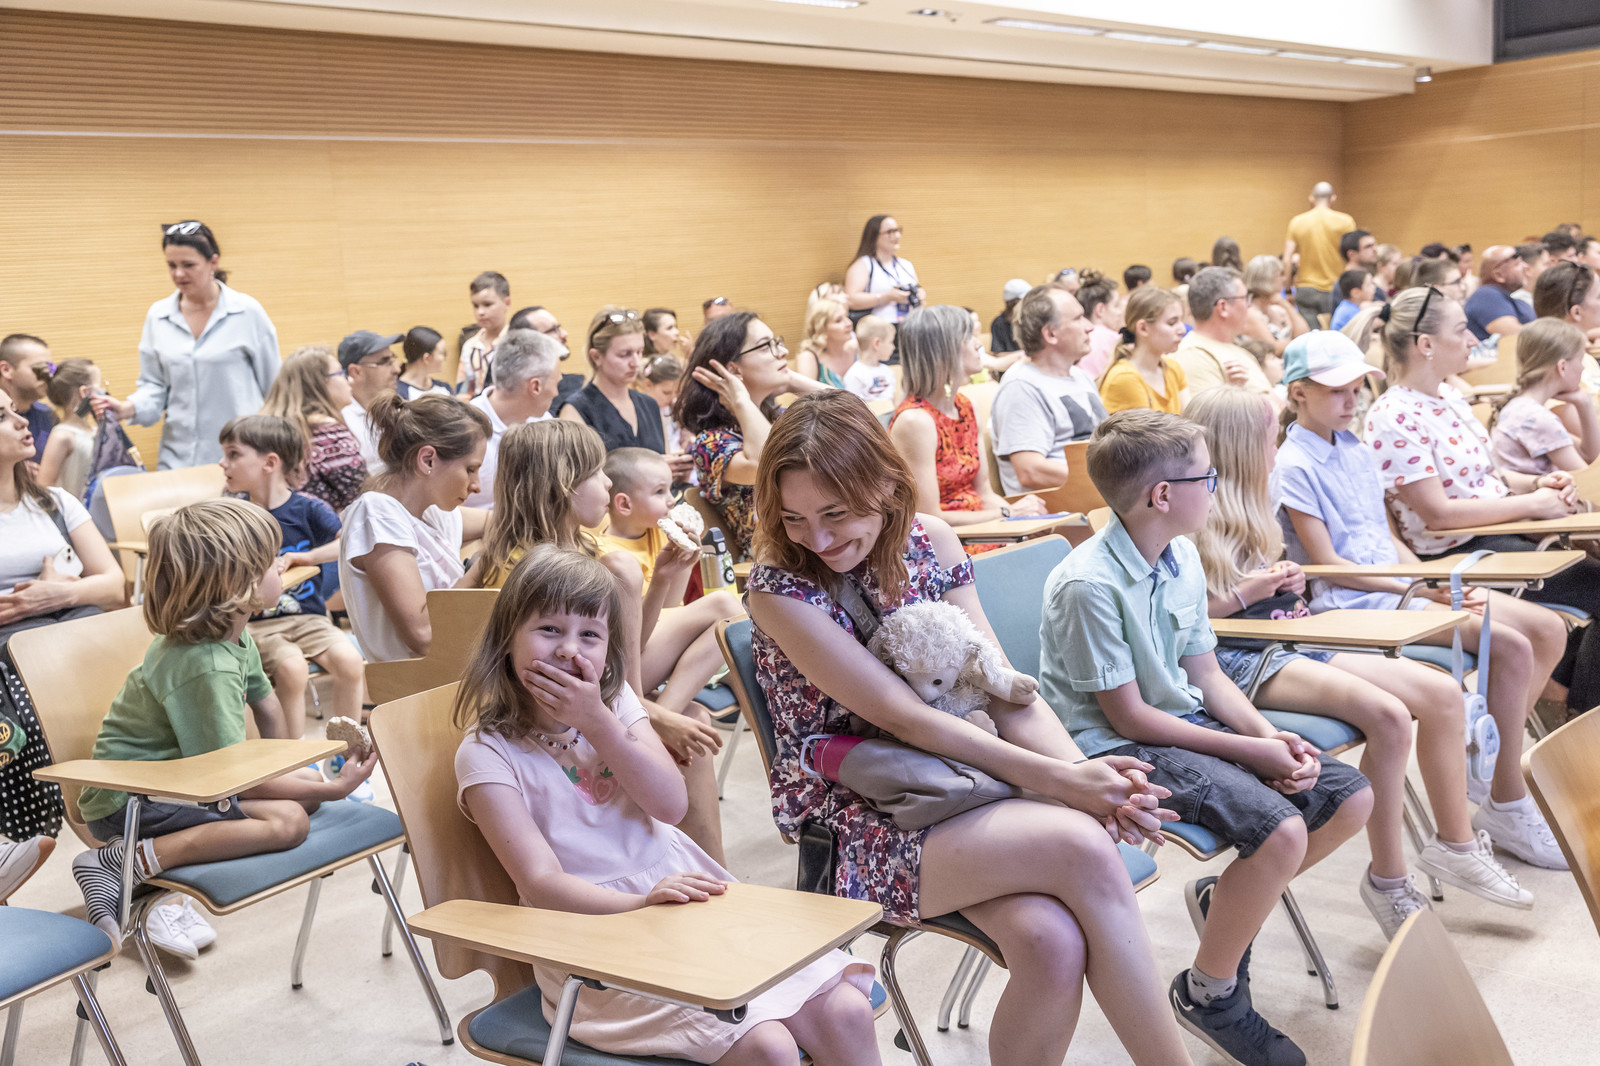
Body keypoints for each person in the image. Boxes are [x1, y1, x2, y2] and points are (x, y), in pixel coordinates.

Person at [745, 391, 1192, 1066]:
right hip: (854, 823)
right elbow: (905, 717)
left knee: (1051, 941)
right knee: (1083, 847)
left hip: (961, 785)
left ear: (885, 484)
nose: (820, 539)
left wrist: (1083, 775)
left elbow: (1003, 689)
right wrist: (1064, 786)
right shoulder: (779, 588)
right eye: (795, 519)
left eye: (835, 513)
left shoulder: (932, 540)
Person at [453, 544, 877, 1066]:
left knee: (847, 1012)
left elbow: (670, 805)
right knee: (768, 1047)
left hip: (681, 898)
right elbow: (541, 884)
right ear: (506, 638)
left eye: (589, 635)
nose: (569, 650)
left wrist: (597, 722)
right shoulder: (486, 753)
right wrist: (639, 906)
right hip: (591, 937)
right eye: (549, 630)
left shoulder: (614, 705)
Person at [1041, 408, 1373, 1066]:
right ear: (1163, 495)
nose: (1217, 488)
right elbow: (1129, 719)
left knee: (1350, 797)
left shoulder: (1182, 554)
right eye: (1208, 477)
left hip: (1180, 723)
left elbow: (1207, 674)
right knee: (1281, 831)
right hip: (1113, 749)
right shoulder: (1087, 585)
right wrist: (1253, 751)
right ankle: (1210, 994)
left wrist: (1272, 737)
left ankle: (1232, 903)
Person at [1187, 384, 1532, 937]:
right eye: (1269, 439)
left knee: (1442, 692)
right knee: (1390, 715)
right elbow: (1189, 620)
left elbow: (1272, 588)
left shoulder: (1257, 496)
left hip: (1289, 633)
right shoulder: (1191, 514)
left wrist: (1283, 579)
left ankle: (1455, 844)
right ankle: (1389, 879)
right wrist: (1252, 591)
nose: (1277, 449)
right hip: (1241, 655)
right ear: (1241, 447)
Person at [1278, 327, 1573, 869]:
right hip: (1351, 604)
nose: (1351, 401)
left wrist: (1430, 580)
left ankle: (1489, 770)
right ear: (1299, 393)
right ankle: (1504, 792)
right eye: (1337, 391)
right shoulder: (1293, 464)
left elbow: (1384, 537)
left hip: (1396, 586)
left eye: (1356, 390)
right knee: (1510, 644)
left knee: (1543, 630)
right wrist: (1417, 587)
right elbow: (1330, 565)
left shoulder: (1353, 448)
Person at [68, 500, 374, 952]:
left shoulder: (234, 633)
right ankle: (121, 862)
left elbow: (267, 707)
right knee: (289, 821)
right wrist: (334, 790)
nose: (281, 565)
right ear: (236, 584)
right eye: (271, 561)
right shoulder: (204, 663)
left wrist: (296, 771)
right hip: (133, 798)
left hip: (183, 781)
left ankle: (144, 866)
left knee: (305, 787)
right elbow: (228, 781)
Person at [468, 423, 729, 863]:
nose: (608, 482)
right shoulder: (548, 569)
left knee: (719, 627)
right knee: (694, 726)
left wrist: (664, 579)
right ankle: (713, 869)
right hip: (548, 709)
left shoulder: (566, 547)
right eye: (596, 472)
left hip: (602, 690)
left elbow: (623, 647)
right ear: (563, 485)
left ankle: (709, 870)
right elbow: (615, 675)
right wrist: (653, 715)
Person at [0, 387, 127, 846]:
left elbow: (114, 585)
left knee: (142, 694)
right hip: (14, 647)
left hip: (76, 630)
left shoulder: (55, 501)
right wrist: (34, 603)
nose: (22, 422)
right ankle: (110, 851)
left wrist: (55, 593)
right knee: (41, 721)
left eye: (15, 411)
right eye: (2, 416)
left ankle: (126, 849)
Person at [218, 415, 366, 730]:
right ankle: (296, 753)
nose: (222, 463)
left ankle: (346, 750)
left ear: (270, 462)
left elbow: (349, 541)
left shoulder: (308, 507)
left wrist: (306, 557)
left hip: (310, 619)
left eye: (233, 454)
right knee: (293, 669)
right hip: (258, 626)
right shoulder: (232, 513)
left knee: (351, 662)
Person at [96, 222, 280, 470]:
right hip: (178, 459)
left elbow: (275, 390)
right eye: (172, 265)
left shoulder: (247, 312)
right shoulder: (158, 316)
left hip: (242, 458)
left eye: (188, 265)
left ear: (213, 262)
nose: (179, 274)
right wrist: (127, 409)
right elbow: (154, 386)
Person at [338, 394, 490, 662]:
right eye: (470, 469)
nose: (476, 485)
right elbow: (423, 635)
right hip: (417, 683)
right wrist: (485, 565)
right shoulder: (377, 513)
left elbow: (502, 523)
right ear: (428, 460)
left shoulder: (433, 512)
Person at [675, 312, 827, 558]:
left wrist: (790, 379)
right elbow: (765, 463)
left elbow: (856, 417)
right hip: (780, 561)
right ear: (733, 369)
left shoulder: (780, 417)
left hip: (823, 541)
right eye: (766, 347)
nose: (782, 352)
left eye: (777, 342)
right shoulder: (711, 443)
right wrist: (739, 398)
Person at [888, 306, 1045, 527]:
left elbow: (985, 494)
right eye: (969, 336)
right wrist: (1010, 513)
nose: (979, 344)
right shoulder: (915, 421)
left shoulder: (966, 406)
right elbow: (931, 519)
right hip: (949, 539)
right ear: (943, 350)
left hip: (983, 526)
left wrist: (1023, 520)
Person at [989, 284, 1106, 495]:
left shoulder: (1079, 376)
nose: (1090, 327)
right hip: (1059, 508)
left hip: (1096, 497)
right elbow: (1030, 471)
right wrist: (1116, 481)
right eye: (1078, 318)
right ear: (1051, 333)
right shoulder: (1021, 386)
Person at [260, 346, 368, 515]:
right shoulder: (330, 434)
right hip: (329, 529)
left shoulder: (270, 431)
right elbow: (360, 497)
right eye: (341, 373)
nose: (350, 380)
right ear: (318, 384)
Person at [465, 329, 563, 509]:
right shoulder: (461, 430)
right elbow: (439, 511)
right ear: (535, 386)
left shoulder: (545, 422)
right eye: (556, 383)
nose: (557, 393)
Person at [561, 308, 674, 462]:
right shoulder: (576, 410)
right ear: (596, 357)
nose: (636, 363)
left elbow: (666, 458)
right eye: (625, 354)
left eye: (639, 352)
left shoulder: (650, 405)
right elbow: (578, 474)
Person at [1489, 318, 1599, 474]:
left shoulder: (1522, 407)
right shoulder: (1537, 418)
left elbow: (1590, 456)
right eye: (1580, 360)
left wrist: (1584, 404)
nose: (1582, 368)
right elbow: (1587, 479)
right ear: (1562, 367)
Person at [1175, 267, 1278, 407]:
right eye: (1245, 298)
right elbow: (1207, 417)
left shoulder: (1236, 350)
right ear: (1223, 307)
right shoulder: (1192, 355)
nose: (1249, 306)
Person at [1099, 287, 1188, 415]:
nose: (1182, 330)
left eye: (1181, 321)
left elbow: (1191, 419)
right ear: (1143, 328)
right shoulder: (1125, 377)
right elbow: (1152, 429)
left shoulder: (1172, 367)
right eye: (1172, 323)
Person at [1284, 182, 1357, 327]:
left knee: (1311, 335)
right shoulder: (1346, 221)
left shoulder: (1297, 222)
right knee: (1334, 333)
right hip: (1335, 287)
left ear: (1311, 198)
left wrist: (1287, 290)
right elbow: (1354, 255)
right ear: (1333, 198)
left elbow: (1287, 259)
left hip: (1306, 288)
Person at [336, 330, 403, 475]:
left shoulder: (397, 409)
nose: (397, 369)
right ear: (355, 372)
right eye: (385, 362)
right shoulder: (340, 422)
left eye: (394, 360)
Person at [36, 359, 101, 500]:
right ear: (84, 392)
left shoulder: (95, 430)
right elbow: (44, 488)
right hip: (75, 511)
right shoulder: (62, 436)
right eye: (98, 388)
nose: (102, 393)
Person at [843, 216, 923, 324]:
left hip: (910, 325)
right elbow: (851, 300)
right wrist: (887, 297)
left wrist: (919, 295)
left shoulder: (905, 264)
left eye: (897, 230)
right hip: (879, 327)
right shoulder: (864, 264)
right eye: (890, 232)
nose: (897, 236)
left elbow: (918, 293)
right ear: (874, 236)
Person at [0, 334, 55, 466]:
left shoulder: (48, 416)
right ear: (6, 370)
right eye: (39, 369)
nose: (48, 376)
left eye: (49, 368)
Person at [1240, 255, 1309, 357]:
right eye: (1280, 275)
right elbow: (1273, 349)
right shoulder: (1250, 313)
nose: (1284, 279)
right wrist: (1295, 342)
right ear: (1266, 278)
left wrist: (1285, 304)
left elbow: (1304, 334)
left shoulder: (1278, 309)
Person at [456, 271, 511, 397]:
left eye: (487, 304)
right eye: (475, 306)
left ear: (507, 303)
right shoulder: (470, 346)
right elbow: (464, 391)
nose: (480, 312)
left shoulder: (519, 341)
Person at [1463, 247, 1536, 342]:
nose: (1526, 266)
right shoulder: (1486, 296)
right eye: (1517, 264)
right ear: (1498, 275)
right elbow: (1513, 335)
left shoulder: (1512, 300)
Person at [1073, 270, 1123, 380]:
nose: (1120, 312)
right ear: (1100, 309)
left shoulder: (1072, 338)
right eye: (1116, 306)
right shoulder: (1114, 340)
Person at [796, 298, 856, 388]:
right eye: (838, 320)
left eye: (847, 316)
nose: (849, 323)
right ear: (821, 328)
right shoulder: (808, 357)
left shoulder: (856, 347)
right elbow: (805, 395)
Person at [843, 317, 895, 404]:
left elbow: (893, 402)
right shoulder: (854, 374)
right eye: (891, 342)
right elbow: (853, 406)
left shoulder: (888, 371)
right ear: (876, 343)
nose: (893, 347)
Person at [396, 327, 454, 399]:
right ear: (426, 358)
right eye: (442, 353)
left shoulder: (444, 388)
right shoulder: (399, 394)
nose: (444, 358)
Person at [989, 278, 1030, 358]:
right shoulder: (999, 323)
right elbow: (998, 353)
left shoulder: (1032, 318)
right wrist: (1023, 354)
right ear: (1014, 303)